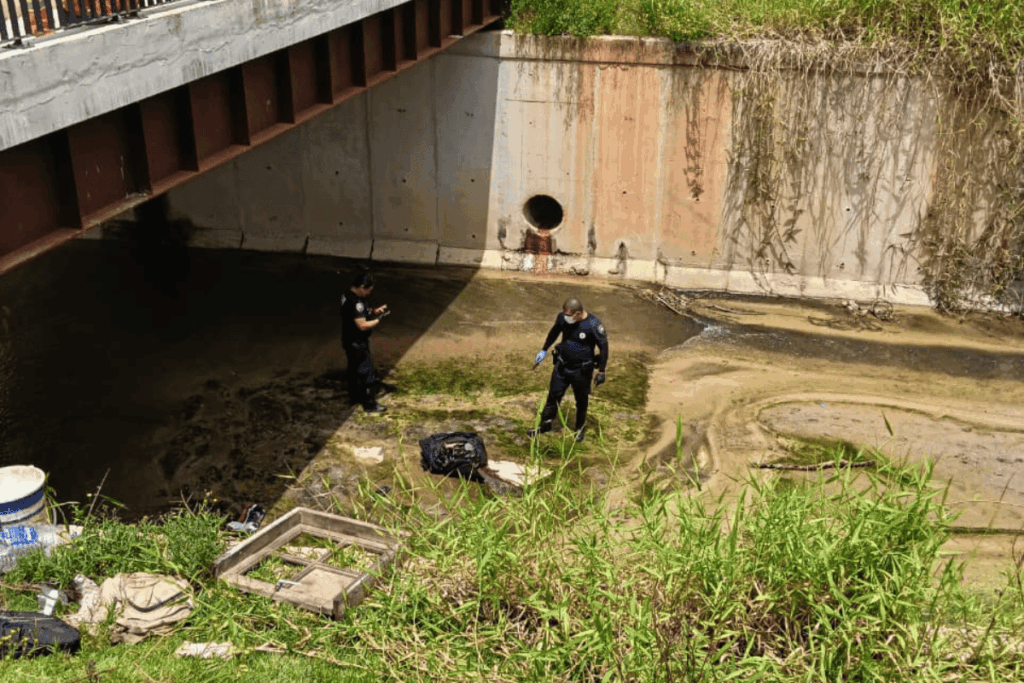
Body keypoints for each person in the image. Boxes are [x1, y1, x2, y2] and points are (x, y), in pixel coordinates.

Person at [529, 297, 608, 442]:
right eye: (565, 315)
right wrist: (544, 349)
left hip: (582, 370)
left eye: (569, 316)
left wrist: (601, 370)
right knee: (553, 396)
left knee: (581, 400)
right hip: (562, 365)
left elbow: (604, 347)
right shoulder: (563, 318)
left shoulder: (593, 325)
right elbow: (554, 333)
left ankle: (579, 429)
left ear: (578, 314)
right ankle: (545, 425)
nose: (566, 318)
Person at [340, 270, 391, 414]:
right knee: (366, 372)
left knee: (353, 371)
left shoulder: (347, 296)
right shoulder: (356, 303)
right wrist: (377, 321)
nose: (369, 293)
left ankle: (354, 397)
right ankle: (369, 404)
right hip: (357, 342)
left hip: (348, 339)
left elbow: (361, 312)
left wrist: (376, 311)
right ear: (361, 287)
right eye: (368, 290)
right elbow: (362, 325)